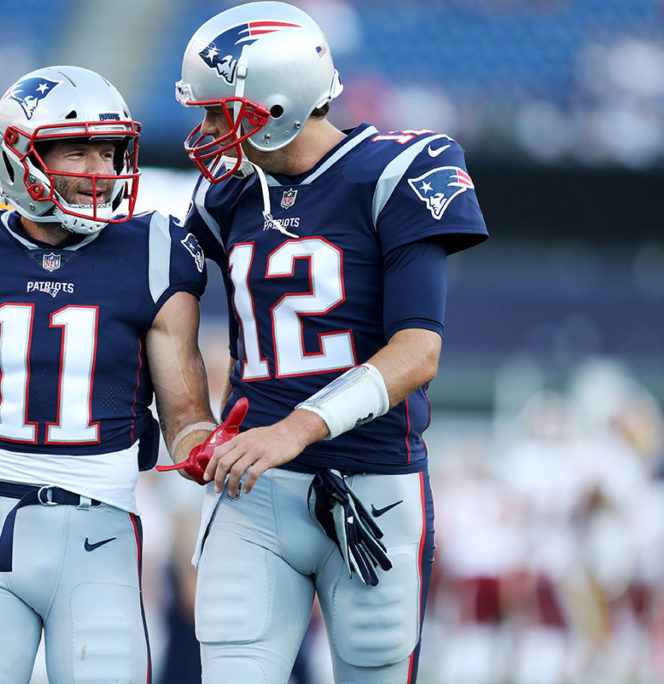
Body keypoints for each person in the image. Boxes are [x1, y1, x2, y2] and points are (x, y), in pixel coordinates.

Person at [0, 65, 227, 683]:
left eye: (108, 151)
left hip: (101, 532)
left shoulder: (155, 251)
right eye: (76, 148)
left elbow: (186, 418)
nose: (100, 169)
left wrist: (204, 448)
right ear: (17, 156)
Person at [167, 2, 489, 683]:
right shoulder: (224, 195)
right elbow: (167, 316)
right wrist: (188, 423)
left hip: (374, 489)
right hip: (250, 487)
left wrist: (297, 428)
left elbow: (417, 351)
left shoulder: (400, 168)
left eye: (220, 112)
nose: (206, 131)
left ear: (275, 104)